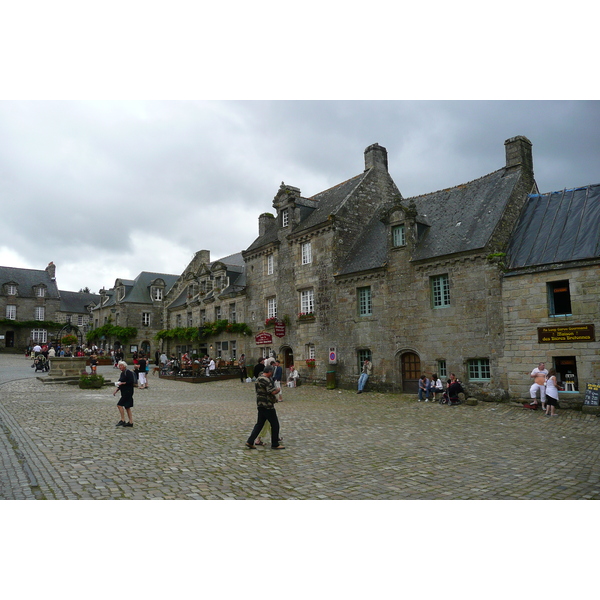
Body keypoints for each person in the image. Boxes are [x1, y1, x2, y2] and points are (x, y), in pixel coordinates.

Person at [245, 364, 285, 449]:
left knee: (259, 424)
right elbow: (272, 392)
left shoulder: (258, 379)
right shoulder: (266, 380)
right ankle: (275, 444)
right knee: (275, 424)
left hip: (260, 404)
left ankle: (250, 441)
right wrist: (278, 390)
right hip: (267, 405)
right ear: (270, 372)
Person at [113, 360, 135, 427]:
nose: (120, 367)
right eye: (119, 366)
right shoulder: (122, 373)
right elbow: (120, 382)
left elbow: (131, 381)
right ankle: (130, 422)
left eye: (121, 366)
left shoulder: (128, 372)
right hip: (124, 391)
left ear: (124, 366)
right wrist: (116, 390)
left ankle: (122, 420)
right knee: (127, 407)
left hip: (128, 391)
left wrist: (123, 383)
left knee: (119, 405)